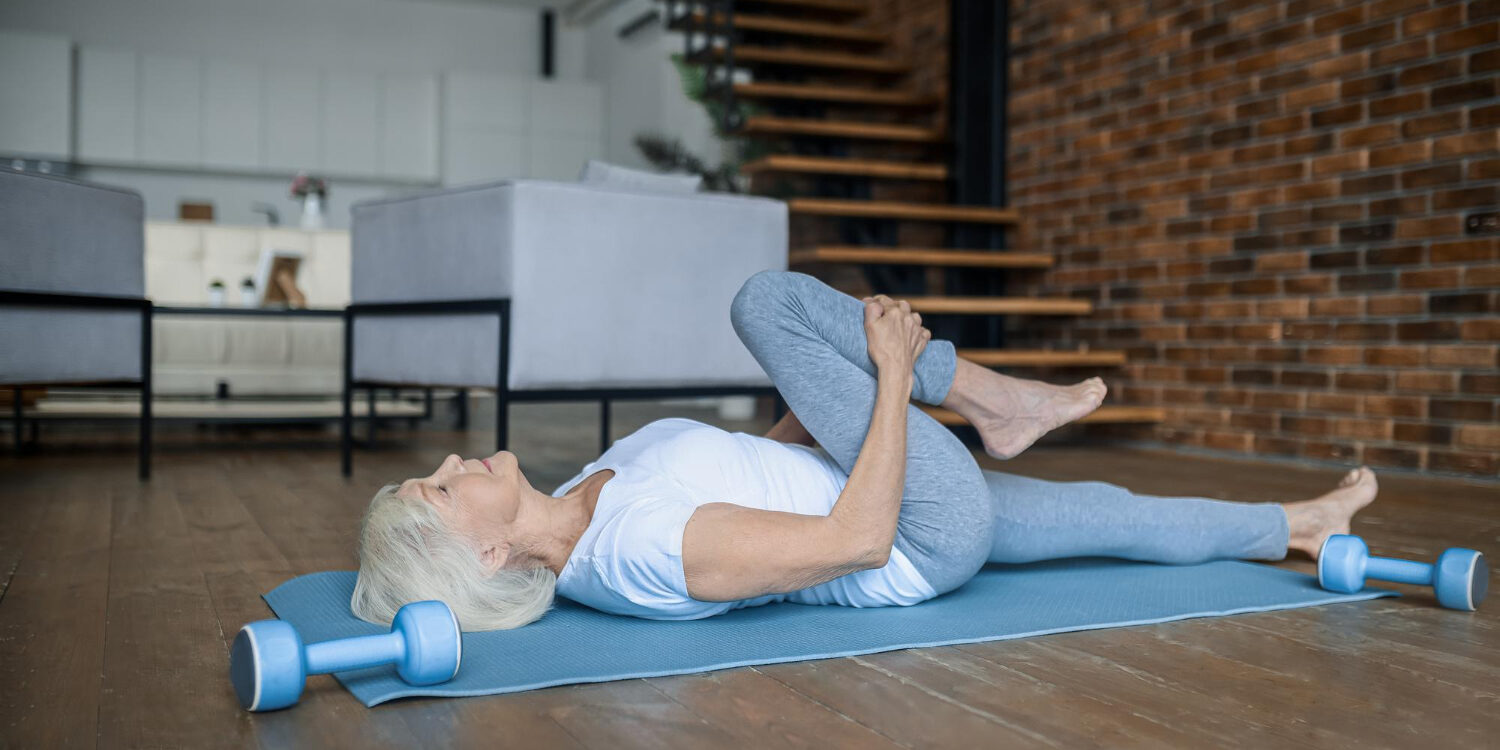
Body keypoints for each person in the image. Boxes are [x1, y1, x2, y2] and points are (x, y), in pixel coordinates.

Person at [351, 271, 1376, 631]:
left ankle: (1295, 523)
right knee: (766, 304)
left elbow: (748, 470)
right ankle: (989, 398)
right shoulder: (637, 557)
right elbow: (855, 536)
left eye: (433, 474)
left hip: (874, 478)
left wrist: (818, 405)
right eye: (441, 494)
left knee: (1109, 512)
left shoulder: (583, 493)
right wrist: (889, 375)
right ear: (485, 558)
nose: (453, 465)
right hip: (917, 531)